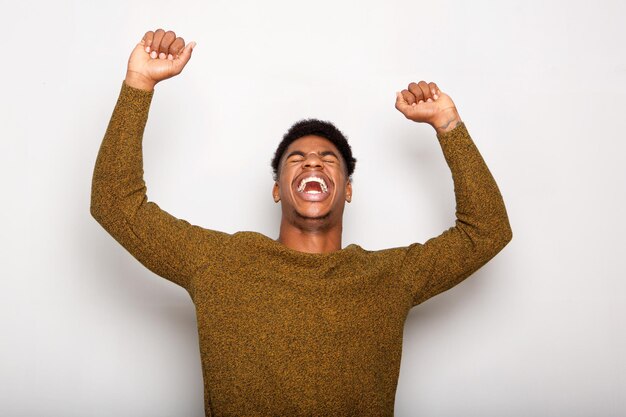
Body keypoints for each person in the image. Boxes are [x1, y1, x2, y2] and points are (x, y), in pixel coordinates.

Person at [91, 28, 512, 416]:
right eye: (298, 158)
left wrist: (448, 125)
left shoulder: (389, 277)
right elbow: (115, 203)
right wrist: (139, 85)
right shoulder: (219, 263)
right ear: (278, 189)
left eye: (329, 159)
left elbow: (487, 230)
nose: (313, 160)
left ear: (347, 189)